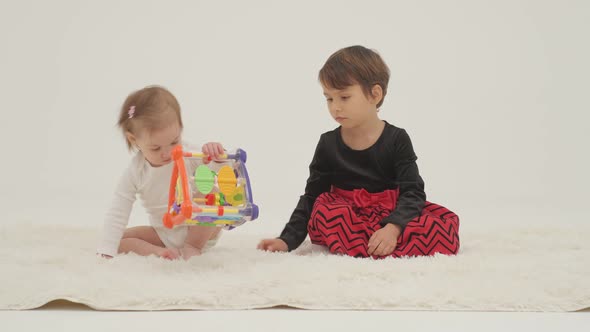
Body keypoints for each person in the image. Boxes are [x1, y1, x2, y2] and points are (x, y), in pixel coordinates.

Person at [258, 46, 460, 258]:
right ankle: (374, 246)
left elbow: (413, 191)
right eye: (329, 98)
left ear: (375, 94)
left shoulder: (397, 139)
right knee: (327, 213)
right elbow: (312, 196)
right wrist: (286, 240)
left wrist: (393, 228)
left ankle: (378, 243)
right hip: (348, 216)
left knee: (444, 228)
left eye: (344, 97)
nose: (335, 107)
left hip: (390, 214)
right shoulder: (328, 143)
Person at [98, 85, 225, 260]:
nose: (168, 153)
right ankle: (161, 253)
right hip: (164, 232)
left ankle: (192, 246)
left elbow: (215, 174)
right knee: (117, 240)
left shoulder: (190, 152)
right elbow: (119, 208)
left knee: (211, 193)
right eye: (156, 148)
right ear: (134, 140)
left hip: (200, 227)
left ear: (180, 128)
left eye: (174, 142)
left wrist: (216, 158)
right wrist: (107, 249)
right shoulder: (136, 171)